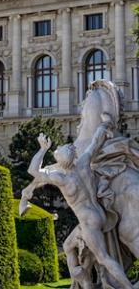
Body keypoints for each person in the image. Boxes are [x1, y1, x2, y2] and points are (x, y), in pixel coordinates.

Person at [28, 119, 133, 289]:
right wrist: (104, 125)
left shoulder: (61, 179)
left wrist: (42, 149)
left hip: (88, 222)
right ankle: (81, 283)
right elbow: (96, 141)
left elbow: (32, 171)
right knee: (68, 245)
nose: (57, 149)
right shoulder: (84, 162)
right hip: (99, 214)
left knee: (104, 258)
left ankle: (127, 287)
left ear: (61, 160)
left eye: (57, 150)